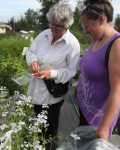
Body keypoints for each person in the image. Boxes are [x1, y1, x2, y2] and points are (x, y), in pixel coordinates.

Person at [76, 0, 120, 141]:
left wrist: (104, 129)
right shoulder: (97, 39)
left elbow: (117, 91)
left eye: (87, 25)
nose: (85, 30)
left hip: (98, 121)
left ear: (102, 19)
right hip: (85, 111)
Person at [26, 3, 80, 149]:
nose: (54, 29)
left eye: (58, 27)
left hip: (52, 94)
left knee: (49, 131)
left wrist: (52, 73)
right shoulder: (43, 34)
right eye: (52, 24)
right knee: (37, 125)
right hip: (35, 88)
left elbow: (71, 71)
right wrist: (33, 61)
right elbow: (30, 52)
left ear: (67, 26)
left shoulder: (72, 44)